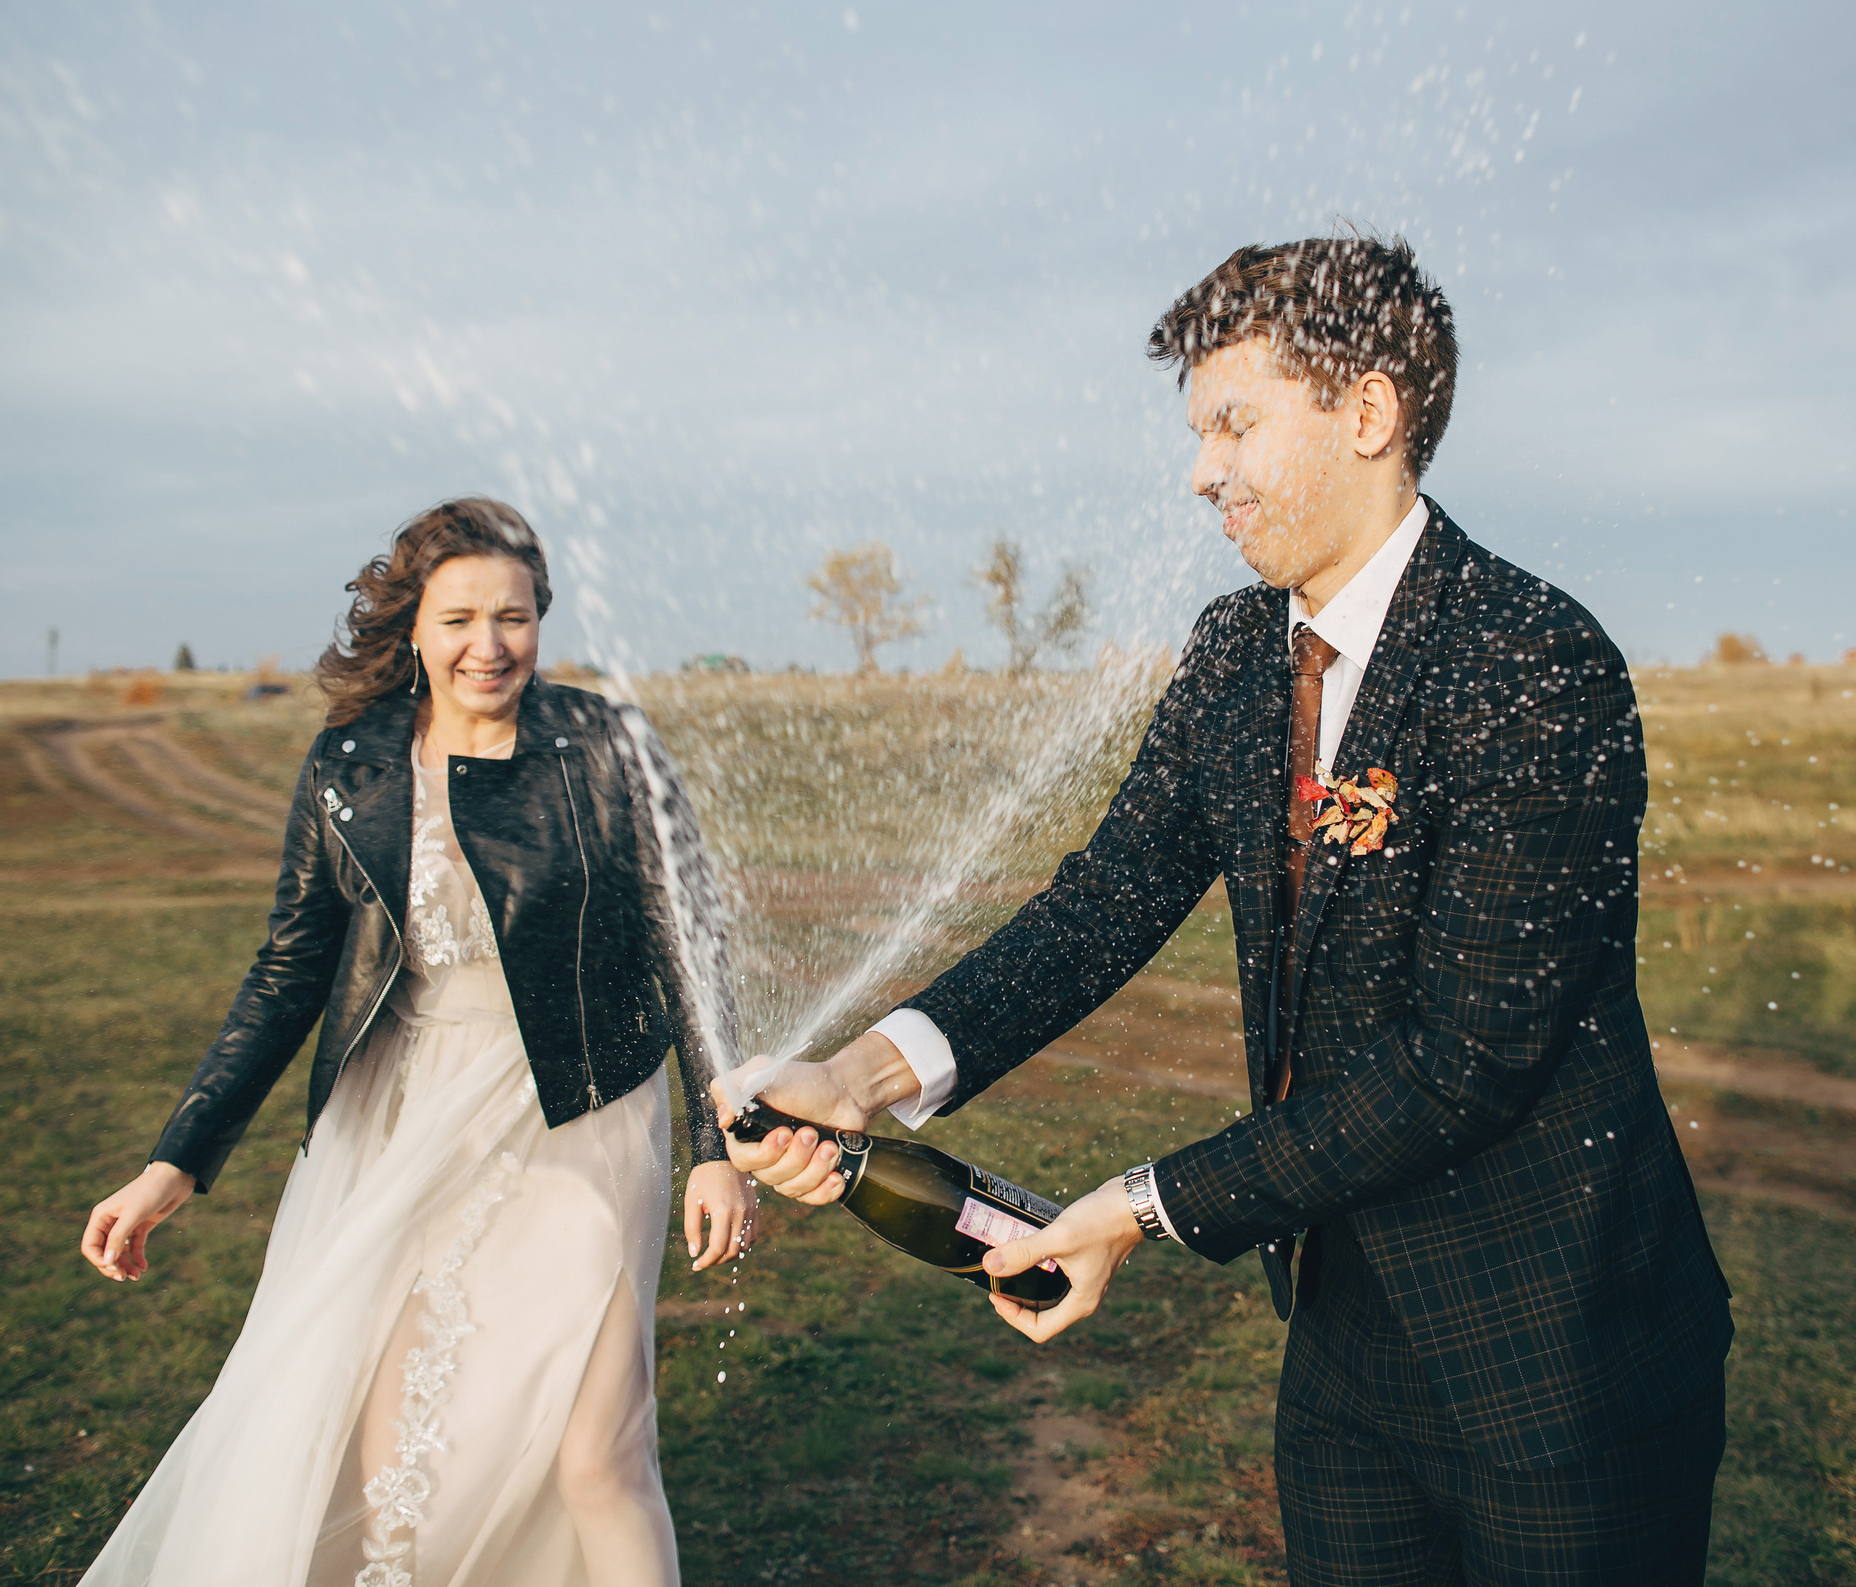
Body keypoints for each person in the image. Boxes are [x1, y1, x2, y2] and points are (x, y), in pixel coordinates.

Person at [727, 236, 1735, 1585]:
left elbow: (1465, 1061)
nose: (1201, 471)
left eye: (1234, 424)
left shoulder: (1530, 660)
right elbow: (1103, 904)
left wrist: (1140, 1206)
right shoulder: (1235, 653)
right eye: (1199, 432)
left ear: (1366, 413)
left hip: (1557, 1358)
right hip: (1340, 1349)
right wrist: (858, 1077)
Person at [78, 496, 753, 1587]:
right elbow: (289, 971)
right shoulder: (350, 763)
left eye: (514, 617)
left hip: (583, 1103)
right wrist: (175, 1162)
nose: (490, 646)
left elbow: (690, 942)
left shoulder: (608, 744)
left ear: (541, 618)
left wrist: (719, 1147)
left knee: (600, 1452)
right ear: (414, 629)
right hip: (401, 1117)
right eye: (459, 619)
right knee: (394, 1445)